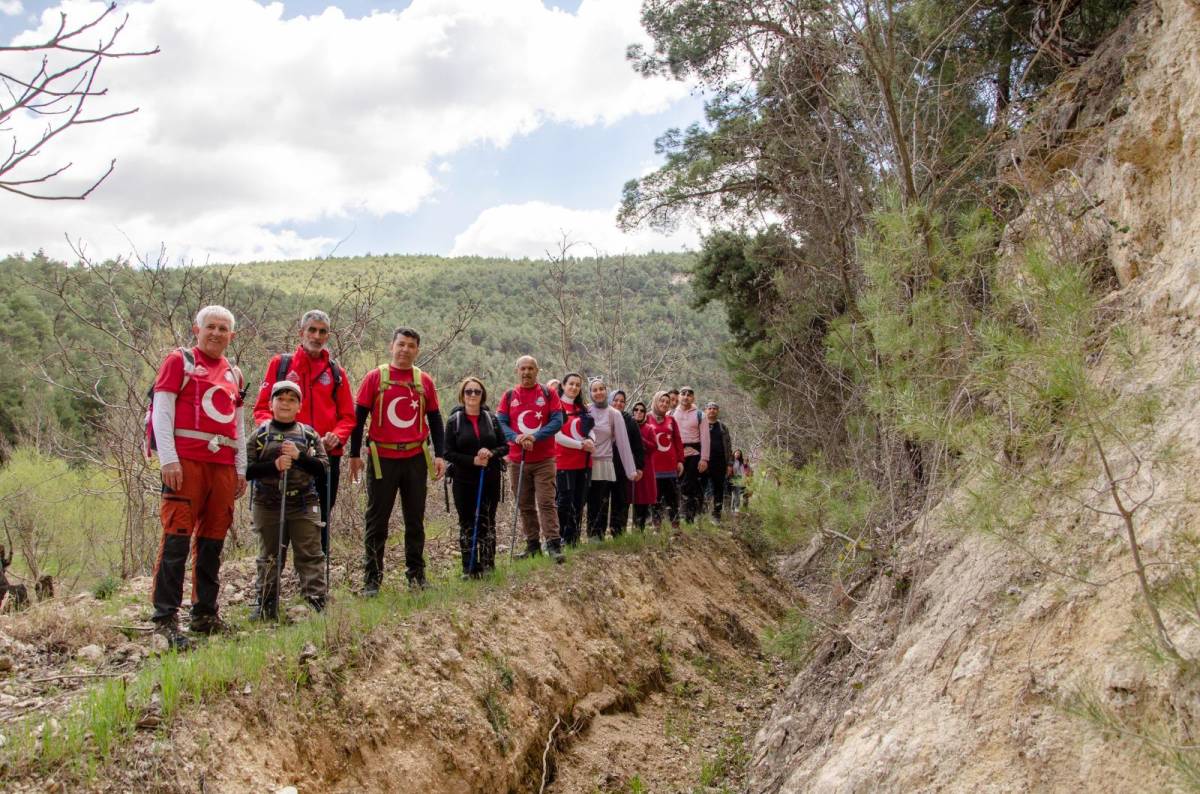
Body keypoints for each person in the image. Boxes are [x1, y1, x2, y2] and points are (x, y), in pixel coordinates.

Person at [148, 305, 247, 649]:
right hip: (185, 463)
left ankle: (205, 614)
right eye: (211, 327)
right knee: (176, 536)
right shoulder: (180, 361)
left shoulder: (234, 374)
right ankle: (165, 618)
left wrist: (241, 468)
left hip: (222, 465)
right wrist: (168, 459)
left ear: (231, 336)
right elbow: (163, 409)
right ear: (197, 329)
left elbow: (239, 424)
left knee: (212, 541)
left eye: (224, 329)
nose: (217, 333)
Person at [348, 328, 445, 594]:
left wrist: (440, 455)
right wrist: (354, 454)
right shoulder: (375, 377)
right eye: (400, 344)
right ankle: (372, 579)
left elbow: (435, 419)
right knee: (376, 520)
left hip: (415, 458)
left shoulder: (423, 380)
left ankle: (416, 575)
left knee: (415, 520)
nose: (405, 350)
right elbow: (358, 418)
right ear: (392, 346)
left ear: (417, 350)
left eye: (411, 346)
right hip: (383, 459)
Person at [253, 310, 354, 528]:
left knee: (321, 516)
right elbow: (262, 408)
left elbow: (347, 416)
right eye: (312, 330)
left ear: (328, 336)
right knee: (279, 516)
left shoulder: (336, 372)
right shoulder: (281, 365)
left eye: (322, 332)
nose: (317, 336)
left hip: (324, 456)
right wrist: (275, 436)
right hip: (284, 452)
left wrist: (336, 436)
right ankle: (275, 561)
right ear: (301, 332)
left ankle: (319, 560)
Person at [246, 381, 329, 618]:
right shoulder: (259, 435)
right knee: (269, 556)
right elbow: (246, 469)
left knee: (310, 553)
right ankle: (265, 603)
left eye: (291, 400)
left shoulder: (309, 435)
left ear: (299, 406)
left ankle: (315, 601)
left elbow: (324, 468)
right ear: (271, 404)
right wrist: (273, 466)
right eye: (280, 399)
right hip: (267, 503)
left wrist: (299, 456)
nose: (285, 404)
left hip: (303, 502)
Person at [497, 355, 565, 562]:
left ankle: (553, 544)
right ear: (517, 371)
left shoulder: (548, 393)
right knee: (524, 504)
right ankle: (532, 545)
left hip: (544, 459)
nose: (526, 372)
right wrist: (516, 438)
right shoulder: (509, 396)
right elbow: (501, 422)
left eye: (530, 368)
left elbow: (557, 420)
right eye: (523, 369)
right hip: (518, 459)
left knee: (546, 502)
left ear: (537, 371)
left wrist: (535, 436)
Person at [443, 377, 508, 578]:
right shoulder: (454, 421)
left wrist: (491, 453)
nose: (472, 395)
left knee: (488, 520)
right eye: (468, 391)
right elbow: (447, 452)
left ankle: (488, 566)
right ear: (462, 395)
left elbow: (504, 446)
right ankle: (469, 568)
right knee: (467, 522)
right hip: (463, 480)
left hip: (489, 478)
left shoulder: (492, 419)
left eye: (477, 392)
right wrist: (472, 460)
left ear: (482, 395)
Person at [583, 377, 640, 540]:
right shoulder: (585, 410)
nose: (598, 392)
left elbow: (623, 444)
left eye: (601, 389)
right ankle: (574, 537)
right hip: (585, 462)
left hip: (604, 462)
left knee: (600, 501)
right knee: (584, 501)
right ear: (590, 393)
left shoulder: (614, 414)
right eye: (595, 390)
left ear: (606, 391)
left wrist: (631, 470)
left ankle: (597, 536)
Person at [553, 373, 594, 547]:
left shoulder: (582, 408)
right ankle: (560, 537)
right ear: (563, 385)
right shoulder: (555, 407)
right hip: (564, 462)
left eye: (578, 385)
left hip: (584, 463)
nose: (574, 388)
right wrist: (580, 445)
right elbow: (556, 435)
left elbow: (591, 429)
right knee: (564, 501)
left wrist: (592, 441)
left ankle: (573, 540)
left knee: (579, 501)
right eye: (571, 384)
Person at [645, 391, 684, 529]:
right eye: (662, 401)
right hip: (653, 465)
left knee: (672, 498)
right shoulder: (646, 418)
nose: (664, 404)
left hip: (670, 466)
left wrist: (680, 461)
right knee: (655, 498)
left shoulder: (671, 420)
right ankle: (656, 525)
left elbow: (678, 441)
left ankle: (675, 526)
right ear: (656, 401)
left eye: (667, 402)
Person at [671, 386, 710, 523]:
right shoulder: (671, 415)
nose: (686, 396)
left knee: (690, 485)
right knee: (676, 484)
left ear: (693, 398)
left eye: (689, 394)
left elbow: (705, 438)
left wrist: (704, 459)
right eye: (683, 394)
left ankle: (689, 517)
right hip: (676, 455)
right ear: (679, 396)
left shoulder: (700, 415)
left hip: (694, 454)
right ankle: (675, 516)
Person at [609, 390, 644, 535]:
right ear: (610, 400)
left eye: (622, 401)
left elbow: (638, 447)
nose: (619, 403)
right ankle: (596, 532)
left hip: (622, 467)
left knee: (621, 499)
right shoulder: (602, 416)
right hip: (604, 465)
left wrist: (639, 467)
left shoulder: (630, 421)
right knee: (602, 500)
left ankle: (618, 531)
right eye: (616, 400)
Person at [699, 401, 733, 522]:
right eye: (709, 408)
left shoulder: (723, 427)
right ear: (705, 410)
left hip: (719, 463)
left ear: (717, 411)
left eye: (714, 408)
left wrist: (730, 464)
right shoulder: (700, 425)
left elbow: (729, 446)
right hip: (703, 462)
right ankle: (701, 513)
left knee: (719, 489)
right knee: (701, 488)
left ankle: (716, 514)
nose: (712, 410)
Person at [629, 401, 658, 530]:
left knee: (643, 498)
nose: (639, 412)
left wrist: (639, 438)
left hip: (645, 467)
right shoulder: (627, 426)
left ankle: (640, 528)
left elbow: (653, 447)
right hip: (630, 466)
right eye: (636, 409)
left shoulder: (649, 428)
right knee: (631, 497)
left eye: (642, 410)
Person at [730, 449, 748, 514]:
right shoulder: (730, 460)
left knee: (737, 494)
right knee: (731, 495)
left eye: (739, 454)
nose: (738, 454)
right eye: (737, 453)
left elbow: (742, 472)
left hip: (738, 479)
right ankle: (731, 508)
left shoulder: (740, 462)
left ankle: (736, 507)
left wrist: (744, 480)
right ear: (734, 453)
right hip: (730, 478)